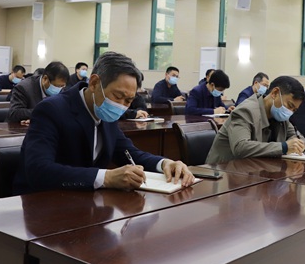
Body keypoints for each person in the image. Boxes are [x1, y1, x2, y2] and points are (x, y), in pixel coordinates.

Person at [12, 51, 194, 194]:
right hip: (43, 205)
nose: (121, 106)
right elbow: (39, 171)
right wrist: (106, 177)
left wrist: (164, 164)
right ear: (94, 83)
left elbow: (130, 154)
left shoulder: (106, 115)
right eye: (118, 96)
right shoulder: (51, 109)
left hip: (84, 204)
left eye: (128, 101)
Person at [206, 76, 305, 164]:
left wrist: (298, 143)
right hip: (222, 172)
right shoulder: (245, 111)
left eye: (294, 110)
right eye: (290, 105)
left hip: (254, 169)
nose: (289, 112)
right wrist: (284, 147)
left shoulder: (280, 116)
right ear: (275, 93)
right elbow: (241, 147)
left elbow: (296, 136)